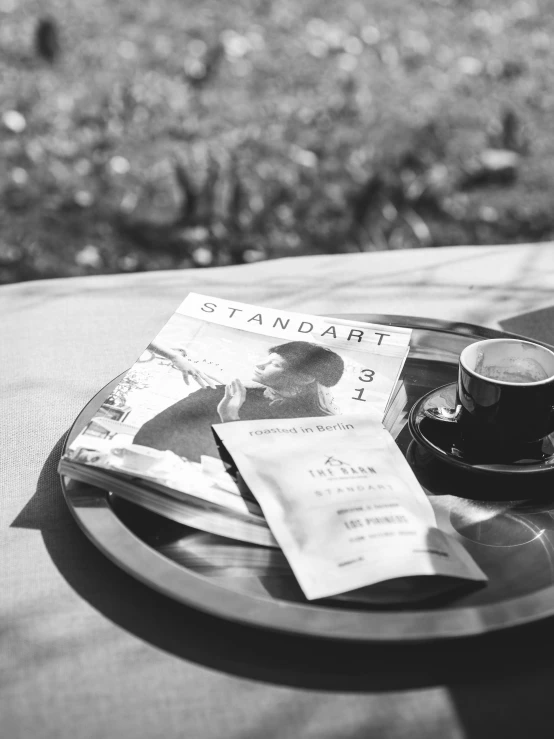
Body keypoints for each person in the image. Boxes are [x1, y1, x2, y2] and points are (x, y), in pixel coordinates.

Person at [133, 341, 345, 463]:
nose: (260, 364)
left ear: (305, 377)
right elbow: (150, 434)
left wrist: (230, 420)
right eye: (267, 357)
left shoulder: (316, 424)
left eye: (276, 364)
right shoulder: (219, 393)